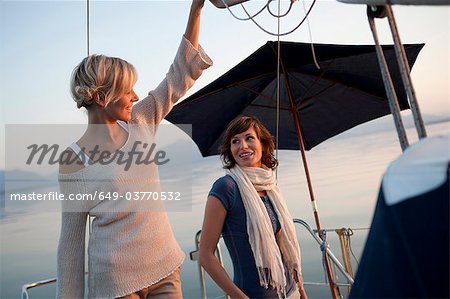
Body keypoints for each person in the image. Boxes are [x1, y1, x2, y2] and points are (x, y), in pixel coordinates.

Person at [56, 1, 212, 298]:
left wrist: (196, 9)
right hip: (116, 286)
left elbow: (179, 76)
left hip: (165, 269)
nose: (136, 96)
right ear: (102, 97)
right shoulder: (73, 161)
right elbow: (71, 247)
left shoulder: (140, 120)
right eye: (127, 91)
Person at [199, 116, 308, 299]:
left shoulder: (270, 186)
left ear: (263, 144)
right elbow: (205, 255)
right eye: (235, 141)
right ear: (230, 150)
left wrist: (301, 289)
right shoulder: (226, 188)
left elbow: (282, 244)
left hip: (291, 292)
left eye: (249, 138)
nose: (242, 146)